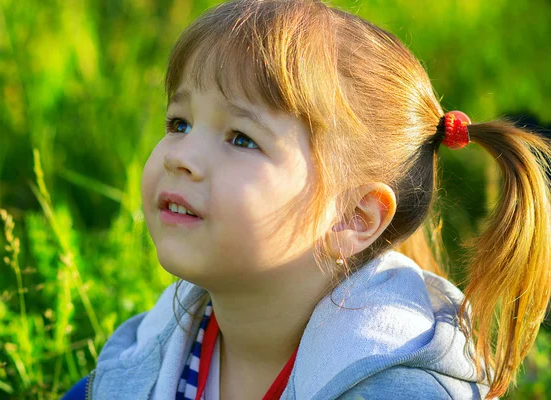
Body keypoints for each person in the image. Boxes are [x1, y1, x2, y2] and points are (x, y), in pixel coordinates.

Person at [63, 1, 551, 399]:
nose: (181, 156)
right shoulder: (159, 344)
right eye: (179, 124)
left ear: (351, 217)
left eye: (240, 138)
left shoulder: (393, 385)